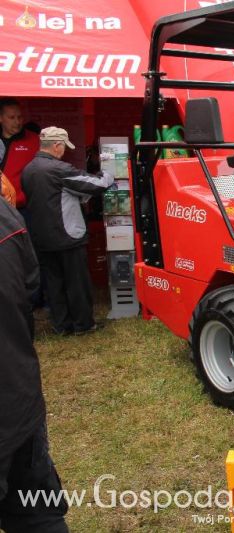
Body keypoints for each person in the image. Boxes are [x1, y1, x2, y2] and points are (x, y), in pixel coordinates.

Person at [0, 198, 69, 531]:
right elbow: (29, 283)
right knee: (37, 515)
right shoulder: (4, 213)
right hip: (19, 396)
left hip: (18, 400)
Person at [22, 127, 113, 335]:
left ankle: (61, 325)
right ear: (56, 146)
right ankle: (83, 324)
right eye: (64, 146)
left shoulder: (28, 169)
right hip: (67, 236)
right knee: (77, 282)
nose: (64, 151)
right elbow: (96, 184)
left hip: (41, 237)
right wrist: (108, 173)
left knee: (53, 284)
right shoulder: (59, 169)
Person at [0, 98, 39, 210]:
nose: (17, 122)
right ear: (1, 118)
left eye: (20, 117)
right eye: (12, 118)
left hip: (24, 207)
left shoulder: (34, 140)